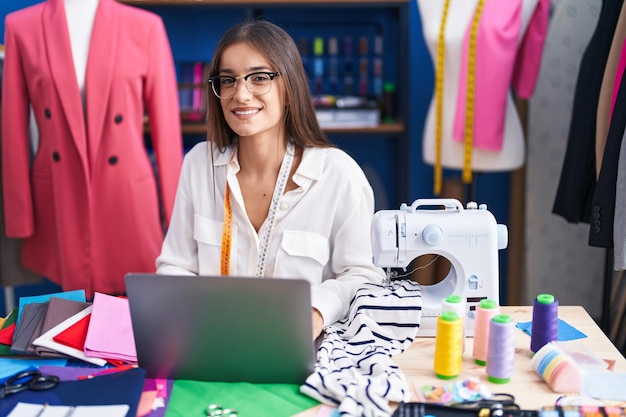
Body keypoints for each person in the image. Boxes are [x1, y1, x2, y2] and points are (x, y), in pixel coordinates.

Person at [155, 19, 386, 340]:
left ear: (289, 87)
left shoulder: (339, 174)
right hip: (212, 341)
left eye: (259, 78)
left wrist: (317, 311)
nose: (241, 94)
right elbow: (174, 266)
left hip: (298, 348)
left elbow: (361, 276)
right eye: (228, 80)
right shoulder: (199, 163)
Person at [1, 0, 183, 297]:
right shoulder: (21, 26)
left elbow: (167, 130)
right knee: (72, 319)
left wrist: (176, 214)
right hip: (60, 196)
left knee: (136, 315)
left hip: (126, 192)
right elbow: (13, 127)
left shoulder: (145, 26)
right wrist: (20, 216)